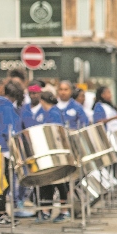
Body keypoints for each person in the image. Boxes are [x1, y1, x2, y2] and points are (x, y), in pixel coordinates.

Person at [36, 91, 69, 222]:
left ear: (42, 101)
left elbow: (56, 132)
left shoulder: (54, 113)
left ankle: (64, 211)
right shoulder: (51, 112)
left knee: (60, 182)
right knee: (47, 182)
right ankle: (46, 211)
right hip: (50, 151)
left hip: (56, 151)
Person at [0, 78, 23, 225]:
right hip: (2, 149)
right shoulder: (5, 104)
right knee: (2, 183)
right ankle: (0, 213)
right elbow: (10, 129)